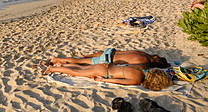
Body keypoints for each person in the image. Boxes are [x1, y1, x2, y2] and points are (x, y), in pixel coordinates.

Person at [43, 64, 174, 91]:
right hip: (104, 72)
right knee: (75, 73)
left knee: (81, 68)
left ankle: (59, 65)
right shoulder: (138, 79)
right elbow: (117, 80)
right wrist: (103, 80)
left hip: (107, 66)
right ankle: (52, 69)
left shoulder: (141, 68)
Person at [48, 49, 169, 70]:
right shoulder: (144, 63)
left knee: (85, 59)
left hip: (111, 51)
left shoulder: (144, 54)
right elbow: (128, 67)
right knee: (80, 62)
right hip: (108, 58)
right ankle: (57, 59)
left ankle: (86, 55)